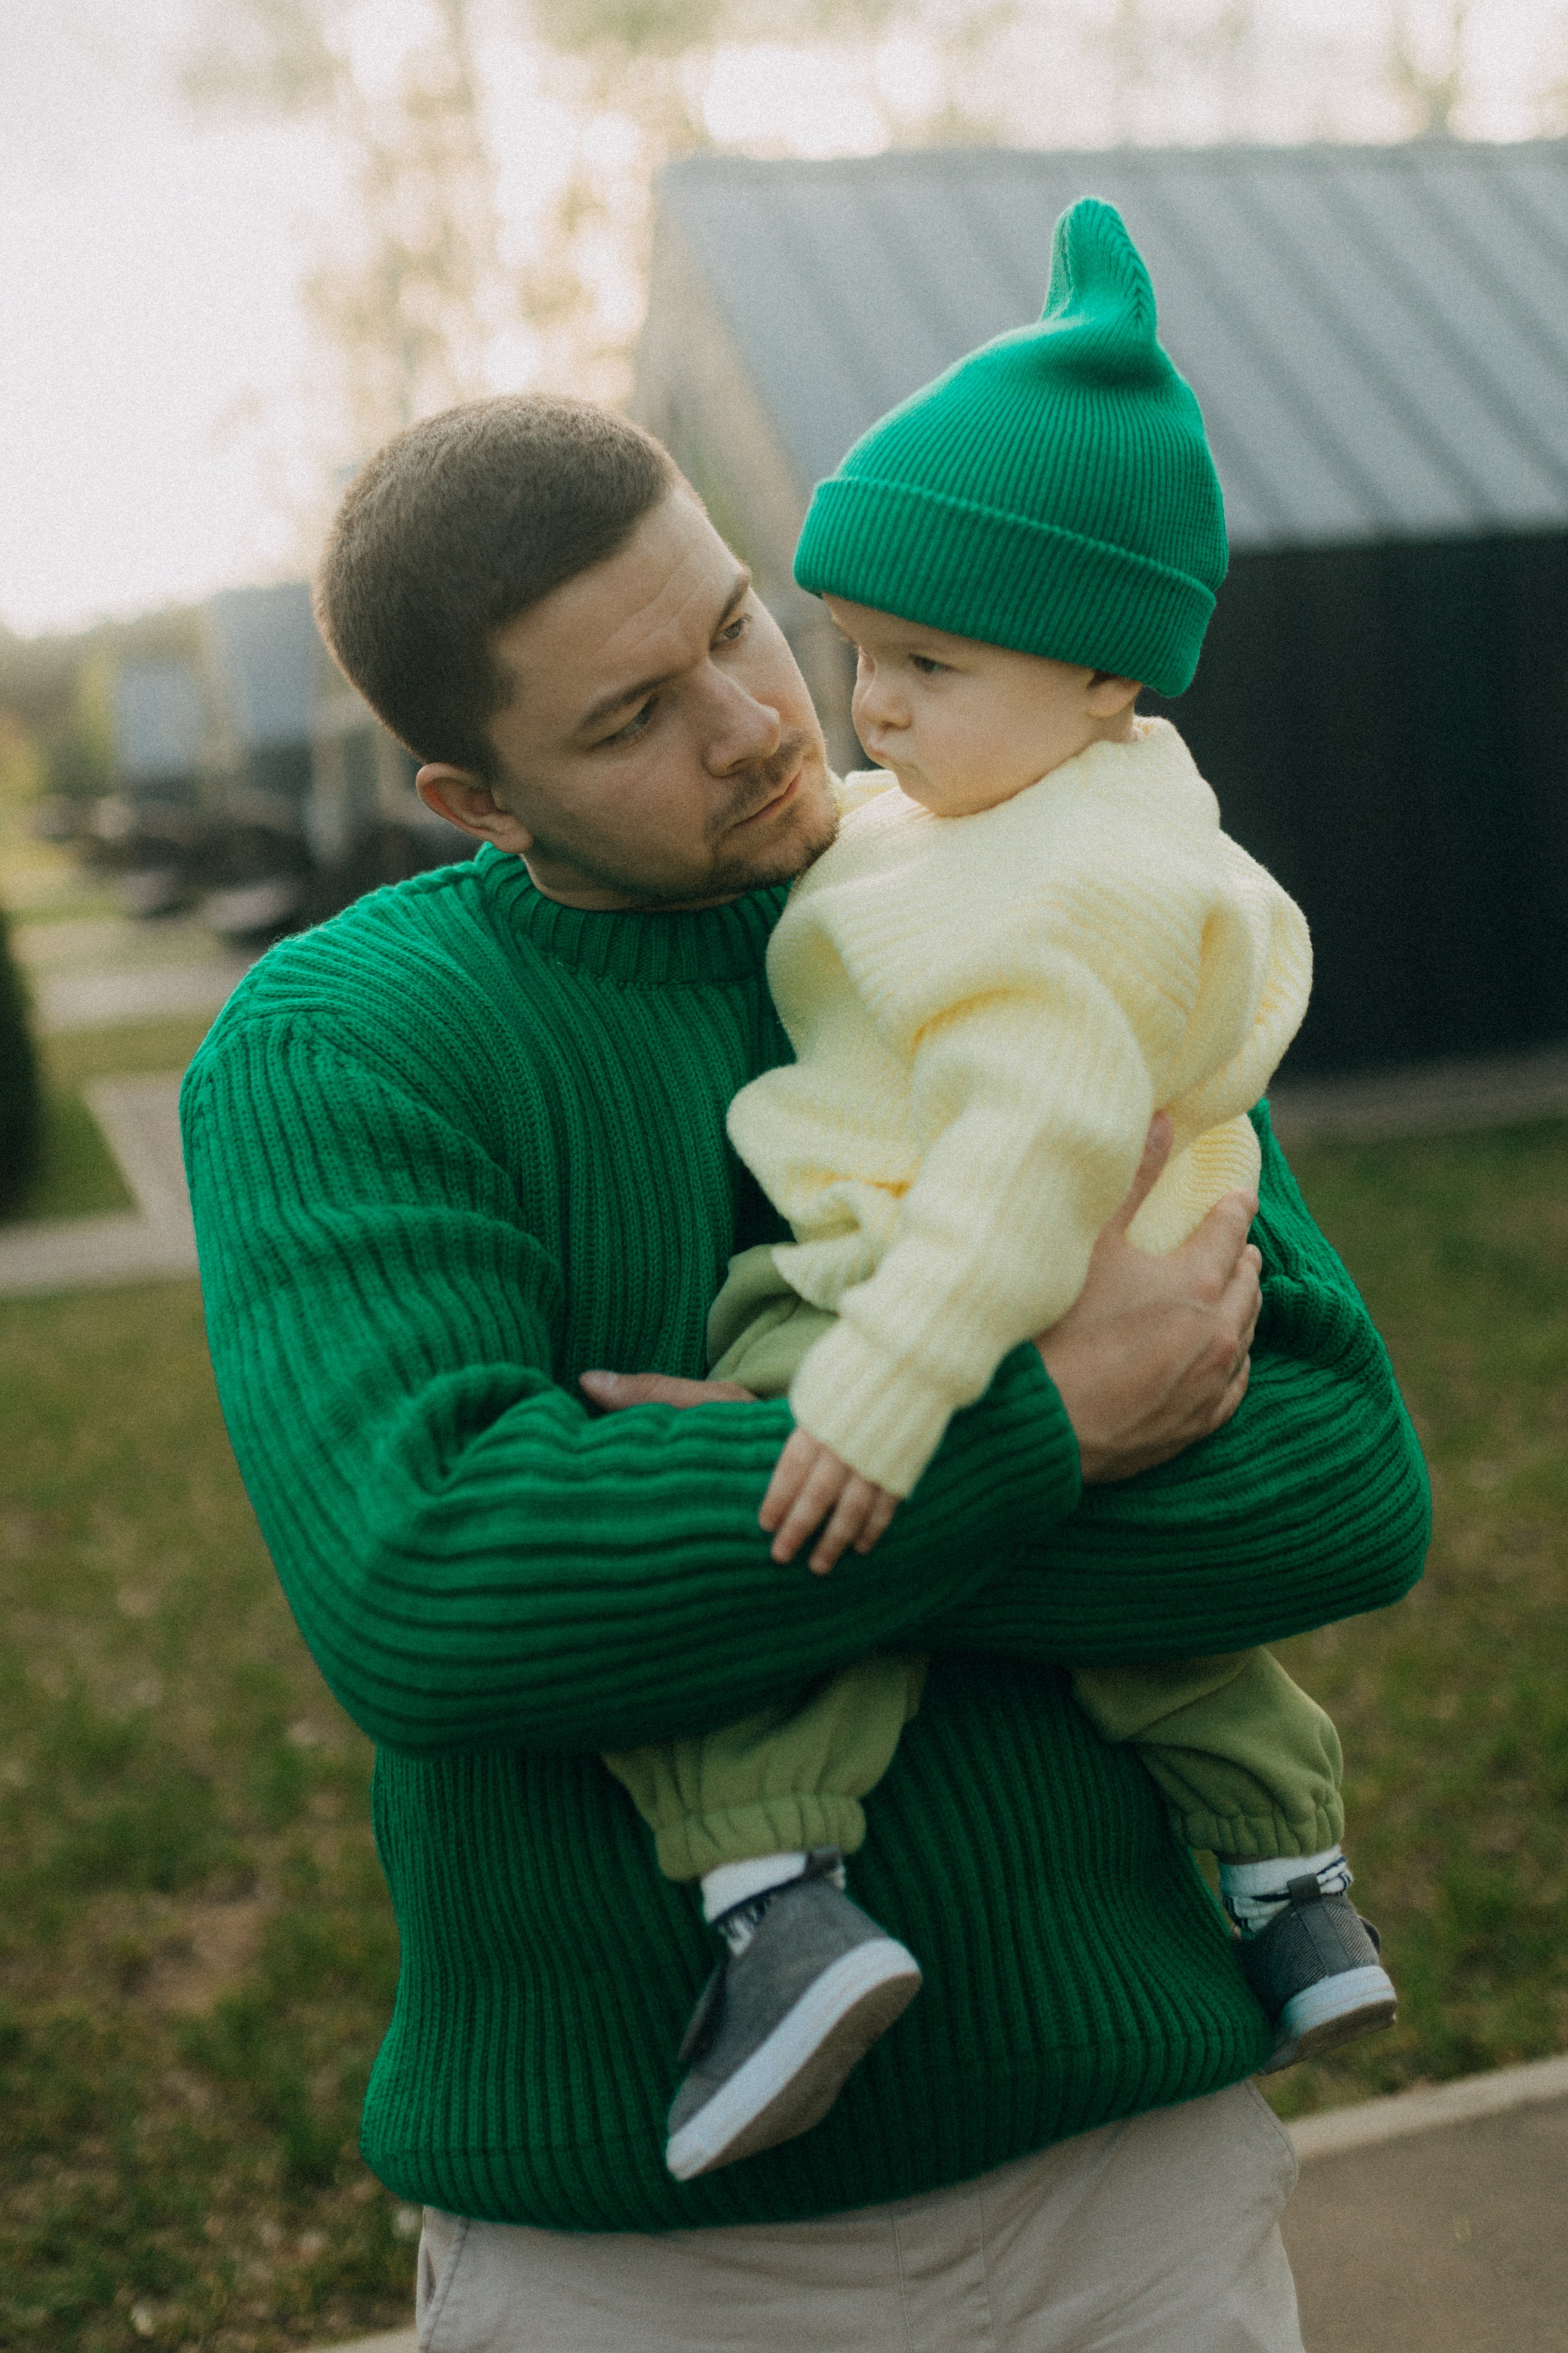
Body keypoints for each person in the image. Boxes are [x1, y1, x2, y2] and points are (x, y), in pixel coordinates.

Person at [181, 382, 1428, 2351]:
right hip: (660, 2246)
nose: (761, 720)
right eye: (629, 717)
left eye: (737, 621)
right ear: (476, 799)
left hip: (1137, 2178)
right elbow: (437, 1590)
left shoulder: (1019, 882)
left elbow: (1344, 1475)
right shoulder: (347, 1041)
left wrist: (728, 1501)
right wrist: (1050, 1427)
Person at [599, 199, 1395, 2190]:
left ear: (1107, 673)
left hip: (920, 1268)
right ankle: (1295, 1883)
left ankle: (777, 1902)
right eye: (860, 650)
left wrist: (879, 1388)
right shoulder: (1055, 797)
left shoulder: (1045, 902)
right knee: (1169, 1643)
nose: (865, 708)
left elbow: (1032, 1146)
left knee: (775, 1554)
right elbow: (888, 841)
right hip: (1094, 1275)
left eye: (925, 666)